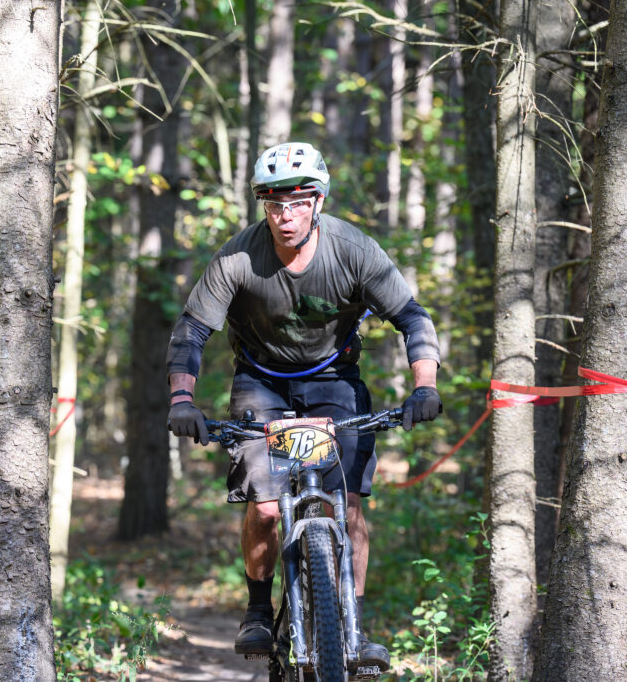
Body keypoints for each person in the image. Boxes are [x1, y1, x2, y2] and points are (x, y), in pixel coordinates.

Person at [165, 141, 442, 670]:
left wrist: (424, 387)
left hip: (334, 381)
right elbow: (191, 332)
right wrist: (182, 399)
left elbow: (412, 317)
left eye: (296, 203)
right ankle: (257, 608)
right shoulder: (238, 257)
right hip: (261, 382)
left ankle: (353, 627)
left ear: (318, 202)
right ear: (263, 206)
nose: (285, 216)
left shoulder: (353, 250)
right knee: (266, 507)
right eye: (274, 204)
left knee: (348, 505)